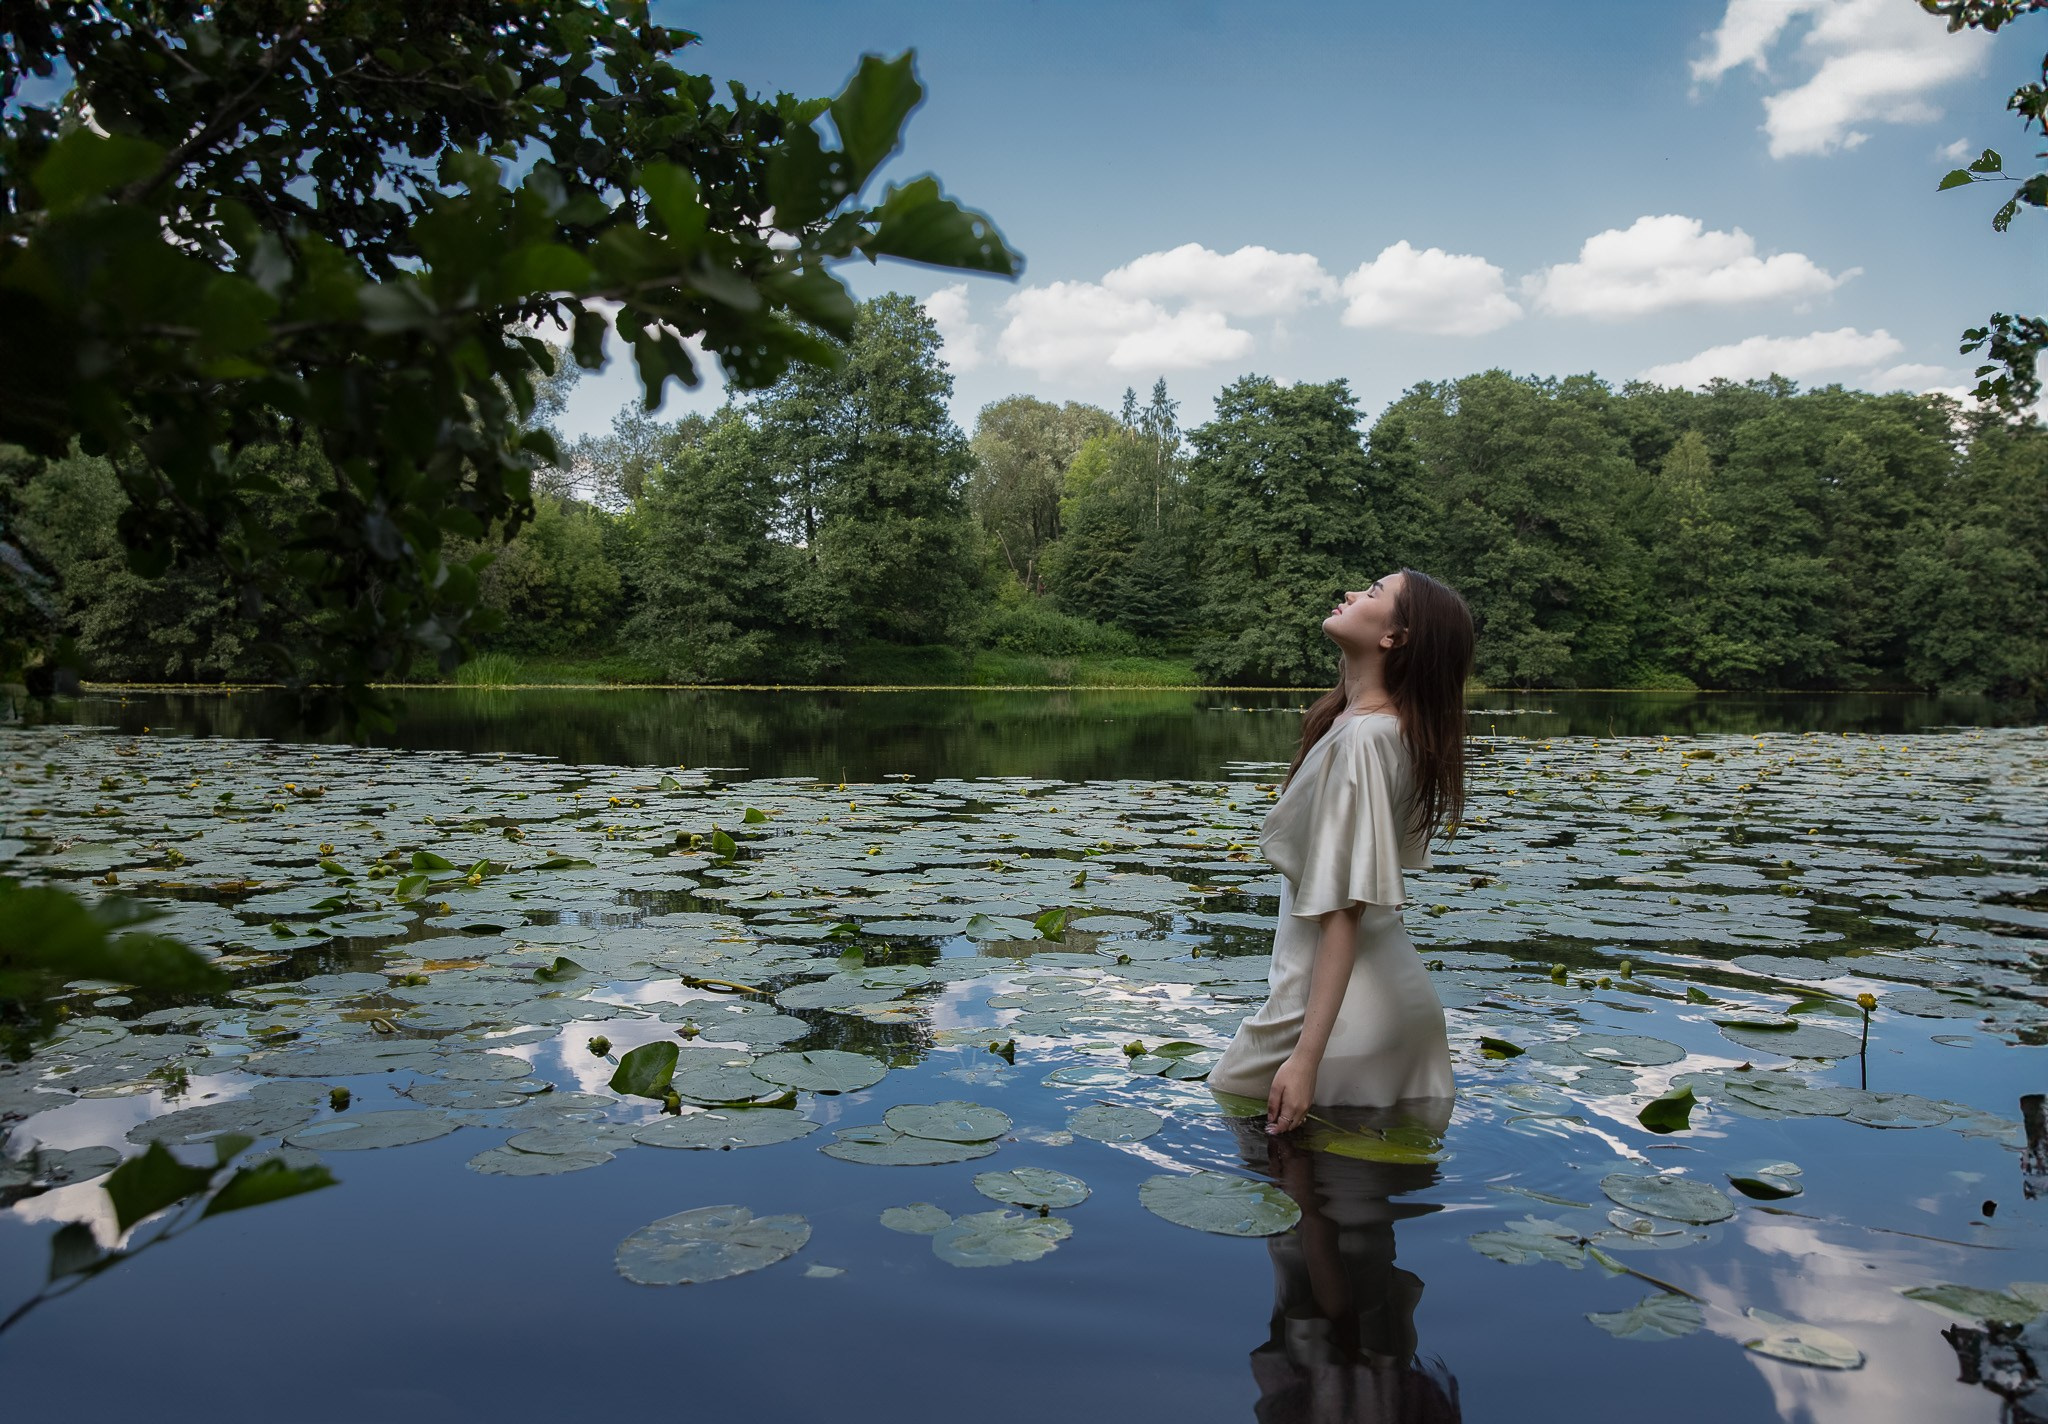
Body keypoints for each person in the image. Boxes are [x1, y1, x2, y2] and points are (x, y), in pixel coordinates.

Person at [1209, 569, 1474, 1133]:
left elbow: (1344, 909)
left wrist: (1304, 1060)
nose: (1352, 593)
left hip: (1337, 1016)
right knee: (1336, 1205)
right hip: (1365, 997)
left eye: (1374, 593)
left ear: (1394, 637)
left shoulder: (1364, 739)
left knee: (1246, 1119)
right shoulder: (1367, 725)